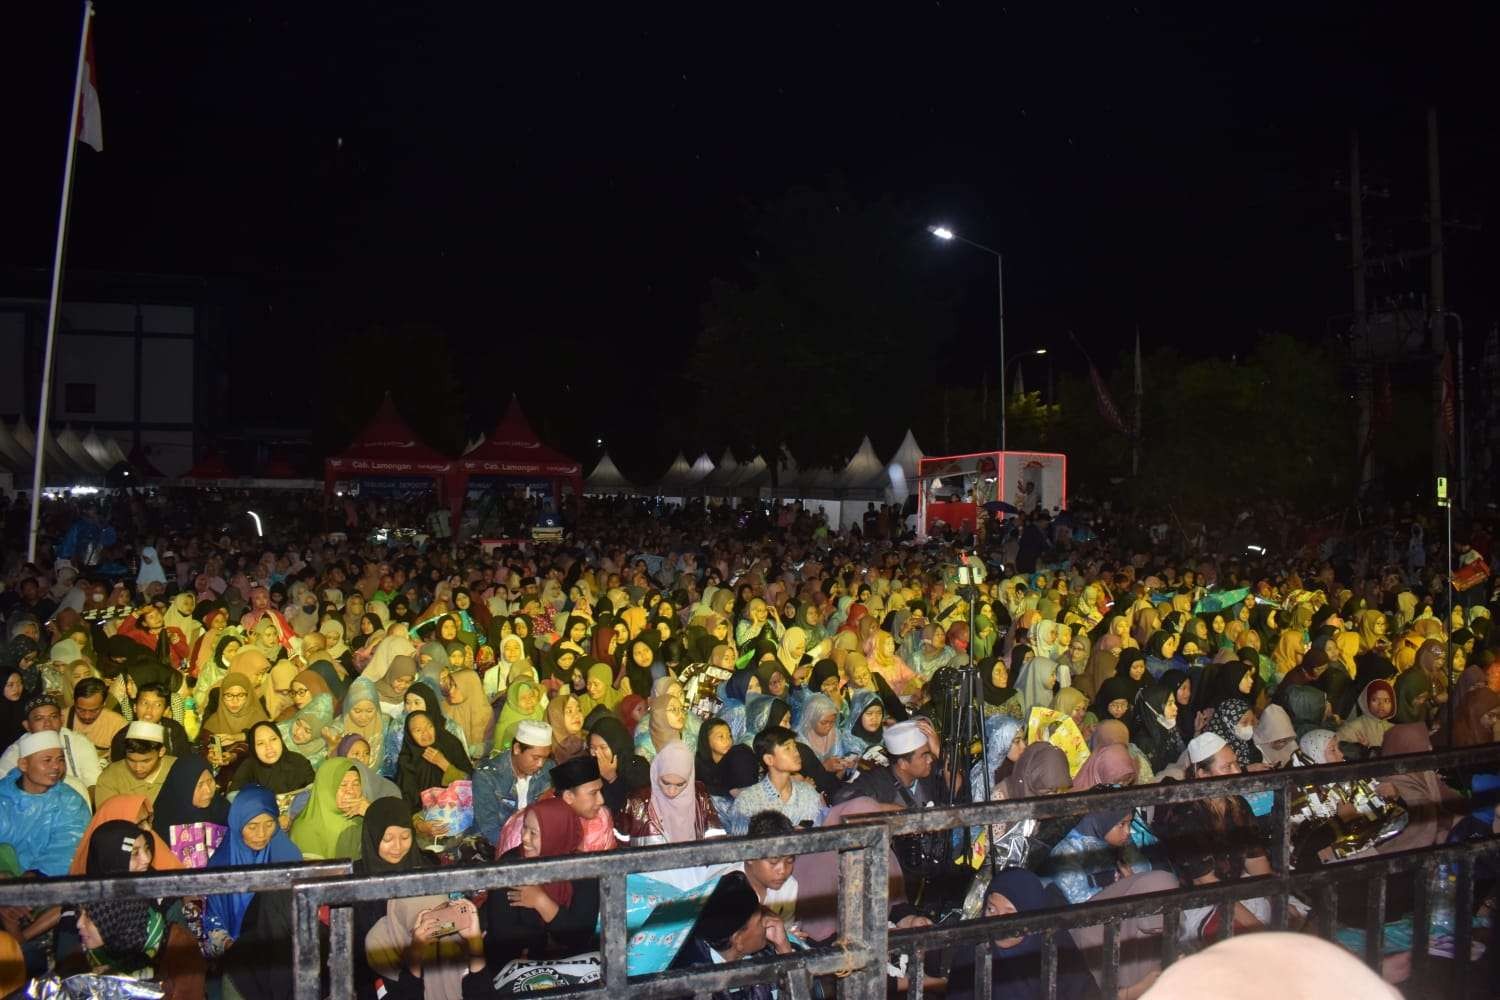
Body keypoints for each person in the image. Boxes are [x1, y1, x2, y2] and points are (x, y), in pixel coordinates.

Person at [1153, 732, 1273, 937]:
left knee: (1291, 914)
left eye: (1236, 764)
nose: (1237, 772)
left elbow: (1256, 861)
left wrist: (1278, 900)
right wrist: (1257, 928)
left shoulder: (1238, 804)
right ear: (1202, 774)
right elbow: (1206, 883)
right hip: (1201, 901)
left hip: (1235, 887)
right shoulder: (1184, 815)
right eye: (1227, 767)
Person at [946, 867, 1101, 1000]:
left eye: (1009, 914)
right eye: (991, 909)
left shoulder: (1057, 950)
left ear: (1031, 917)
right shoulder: (970, 955)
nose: (997, 923)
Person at [485, 796, 600, 968]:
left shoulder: (583, 870)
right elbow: (503, 933)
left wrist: (541, 902)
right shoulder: (512, 865)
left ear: (557, 834)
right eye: (524, 828)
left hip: (570, 965)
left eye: (533, 833)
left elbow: (580, 937)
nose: (524, 838)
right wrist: (549, 934)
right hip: (516, 965)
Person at [203, 783, 303, 956]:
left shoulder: (288, 855)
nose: (262, 834)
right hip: (237, 952)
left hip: (282, 949)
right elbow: (212, 918)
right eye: (252, 826)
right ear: (237, 824)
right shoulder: (221, 865)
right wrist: (229, 945)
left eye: (269, 824)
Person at [668, 870, 797, 1000]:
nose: (766, 921)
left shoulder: (761, 951)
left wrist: (783, 948)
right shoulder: (694, 986)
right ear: (738, 940)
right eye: (759, 921)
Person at [0, 730, 92, 876]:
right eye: (47, 760)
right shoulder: (3, 796)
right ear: (24, 764)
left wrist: (38, 874)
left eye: (60, 760)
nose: (56, 766)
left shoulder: (71, 802)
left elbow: (67, 848)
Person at [0, 693, 99, 801]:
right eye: (39, 718)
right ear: (27, 725)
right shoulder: (15, 751)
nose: (47, 723)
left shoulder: (79, 742)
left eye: (53, 716)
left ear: (62, 719)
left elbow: (94, 786)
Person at [472, 718, 554, 846]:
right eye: (536, 757)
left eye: (545, 758)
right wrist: (520, 850)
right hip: (500, 845)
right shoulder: (487, 777)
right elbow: (489, 829)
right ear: (517, 749)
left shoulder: (548, 769)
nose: (540, 764)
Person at [393, 709, 473, 839]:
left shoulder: (451, 745)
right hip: (426, 824)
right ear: (409, 735)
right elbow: (406, 802)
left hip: (464, 819)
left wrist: (444, 765)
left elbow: (473, 783)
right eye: (418, 730)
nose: (425, 734)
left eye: (429, 727)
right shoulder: (407, 761)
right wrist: (419, 825)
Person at [729, 724, 824, 827]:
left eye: (795, 747)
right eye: (787, 748)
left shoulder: (808, 793)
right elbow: (742, 842)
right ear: (769, 759)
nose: (796, 753)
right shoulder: (748, 801)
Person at [290, 756, 369, 859]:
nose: (351, 791)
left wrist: (372, 812)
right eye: (343, 785)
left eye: (356, 784)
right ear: (326, 789)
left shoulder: (364, 817)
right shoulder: (305, 830)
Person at [95, 720, 176, 808]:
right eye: (131, 760)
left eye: (146, 761)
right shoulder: (111, 777)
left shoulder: (180, 770)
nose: (138, 768)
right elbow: (108, 817)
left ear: (161, 752)